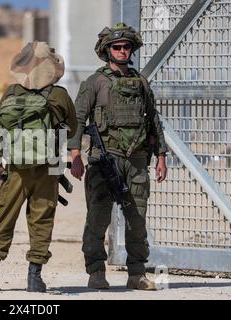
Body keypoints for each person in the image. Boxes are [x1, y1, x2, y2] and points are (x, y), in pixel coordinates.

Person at [67, 23, 168, 290]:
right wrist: (75, 154)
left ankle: (136, 274)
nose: (123, 51)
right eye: (117, 47)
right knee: (98, 218)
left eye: (126, 47)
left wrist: (161, 156)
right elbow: (77, 118)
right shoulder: (95, 82)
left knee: (137, 220)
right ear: (107, 50)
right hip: (104, 159)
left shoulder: (141, 82)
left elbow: (153, 121)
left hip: (136, 160)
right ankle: (96, 272)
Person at [0, 41, 77, 292]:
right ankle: (34, 279)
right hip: (50, 167)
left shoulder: (11, 92)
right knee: (41, 220)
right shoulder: (59, 95)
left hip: (15, 169)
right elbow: (74, 129)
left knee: (3, 218)